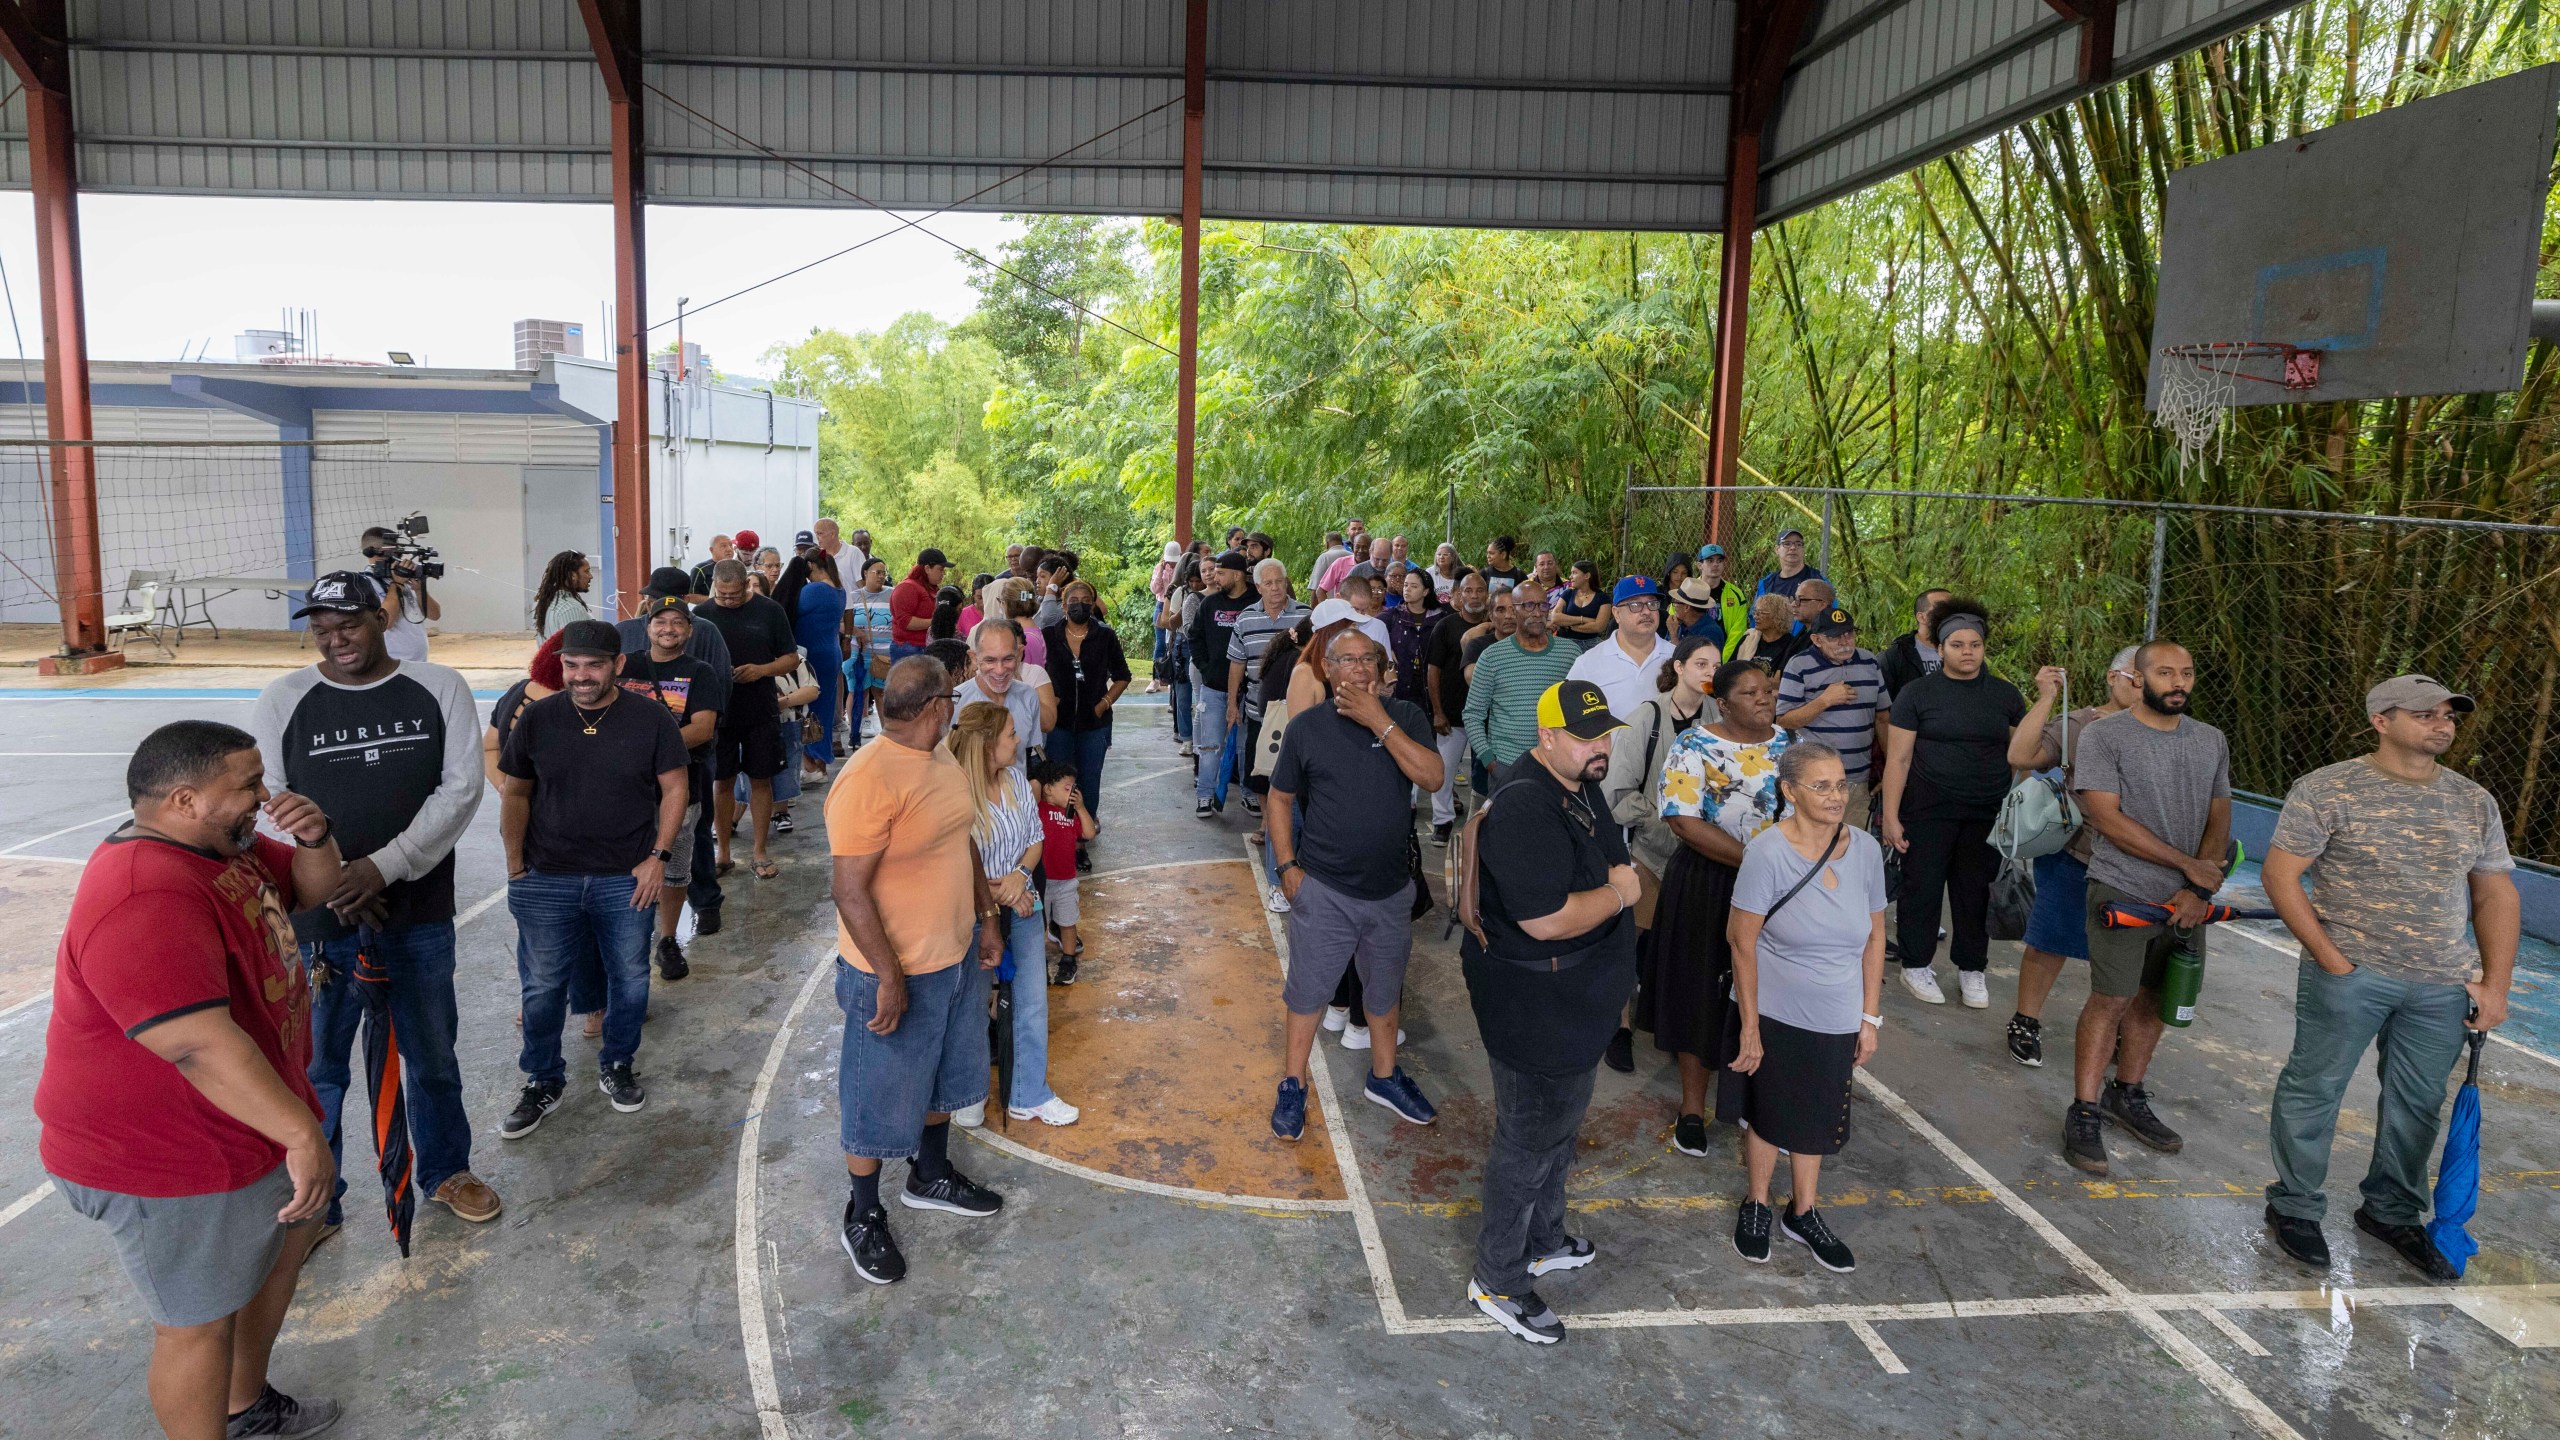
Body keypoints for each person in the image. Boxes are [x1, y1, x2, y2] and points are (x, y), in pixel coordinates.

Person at [37, 721, 348, 1439]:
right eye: (246, 785)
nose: (262, 797)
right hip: (165, 1154)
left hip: (245, 1124)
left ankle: (245, 1408)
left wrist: (315, 837)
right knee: (196, 1326)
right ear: (185, 798)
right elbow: (196, 1045)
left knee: (283, 1246)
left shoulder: (216, 848)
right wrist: (303, 1133)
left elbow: (313, 890)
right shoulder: (145, 890)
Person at [249, 571, 496, 1237]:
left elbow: (461, 790)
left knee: (431, 1055)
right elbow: (269, 802)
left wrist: (384, 868)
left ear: (381, 619)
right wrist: (332, 877)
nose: (335, 640)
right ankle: (316, 1209)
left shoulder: (439, 687)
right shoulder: (284, 698)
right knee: (319, 1069)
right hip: (318, 924)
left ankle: (446, 1170)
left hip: (414, 915)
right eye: (322, 630)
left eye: (349, 625)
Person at [2261, 674, 2520, 1281]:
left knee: (2419, 1104)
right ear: (2381, 720)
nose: (2443, 723)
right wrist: (2330, 958)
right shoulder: (2329, 788)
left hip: (2441, 986)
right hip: (2353, 972)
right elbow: (2280, 876)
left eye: (2450, 716)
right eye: (2426, 714)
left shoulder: (2473, 799)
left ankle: (2391, 1212)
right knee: (2315, 1088)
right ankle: (2295, 1207)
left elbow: (2496, 895)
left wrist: (2495, 985)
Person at [1458, 678, 1640, 1345]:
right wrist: (1618, 897)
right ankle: (1499, 1278)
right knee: (1527, 1142)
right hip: (1537, 1009)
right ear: (1546, 737)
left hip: (1576, 1003)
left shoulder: (1579, 782)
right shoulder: (1525, 806)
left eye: (1605, 734)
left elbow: (1615, 857)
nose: (1601, 749)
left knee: (1559, 1131)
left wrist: (1615, 886)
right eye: (1586, 737)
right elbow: (1546, 920)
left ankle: (1543, 1239)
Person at [827, 656, 1009, 1288]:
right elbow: (849, 892)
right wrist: (889, 975)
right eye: (950, 697)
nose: (954, 705)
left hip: (955, 956)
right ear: (935, 706)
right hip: (895, 969)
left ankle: (929, 1175)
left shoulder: (940, 759)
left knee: (944, 1078)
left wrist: (986, 915)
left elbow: (962, 841)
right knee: (876, 1094)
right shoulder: (869, 778)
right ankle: (862, 1211)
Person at [495, 620, 689, 1134]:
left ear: (618, 666)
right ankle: (542, 1079)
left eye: (594, 665)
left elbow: (675, 790)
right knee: (541, 987)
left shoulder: (651, 719)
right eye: (572, 665)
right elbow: (515, 793)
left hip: (625, 877)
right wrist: (516, 866)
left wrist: (658, 857)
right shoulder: (537, 718)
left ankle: (617, 1064)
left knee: (628, 979)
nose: (581, 676)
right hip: (546, 877)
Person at [1267, 624, 1445, 1142]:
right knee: (1308, 993)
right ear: (1328, 668)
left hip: (1391, 891)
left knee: (1384, 991)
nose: (1360, 669)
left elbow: (1433, 778)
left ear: (1382, 668)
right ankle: (1293, 1083)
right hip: (1324, 889)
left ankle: (1384, 1078)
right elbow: (1279, 799)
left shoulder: (1406, 717)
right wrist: (1287, 868)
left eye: (1369, 659)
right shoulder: (1308, 728)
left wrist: (1380, 723)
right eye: (1347, 660)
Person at [2059, 640, 2231, 1176]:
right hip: (2122, 888)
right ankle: (2084, 1109)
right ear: (2137, 678)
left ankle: (2126, 1094)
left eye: (2186, 672)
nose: (2177, 682)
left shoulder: (2211, 740)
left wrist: (2197, 889)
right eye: (2164, 672)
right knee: (2110, 999)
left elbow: (2219, 815)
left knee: (2156, 999)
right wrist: (2188, 865)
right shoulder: (2104, 736)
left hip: (2186, 901)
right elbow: (2105, 818)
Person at [1722, 741, 1886, 1275]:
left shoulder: (1864, 848)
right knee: (1771, 1114)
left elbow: (1875, 936)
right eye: (1821, 785)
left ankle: (1804, 1211)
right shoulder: (1767, 851)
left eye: (1841, 784)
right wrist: (1750, 1027)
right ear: (1790, 792)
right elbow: (1740, 940)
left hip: (1838, 1012)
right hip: (1775, 1009)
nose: (1836, 795)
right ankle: (1757, 1203)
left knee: (1816, 1116)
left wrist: (1869, 1017)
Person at [1647, 660, 1789, 1157]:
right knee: (1701, 991)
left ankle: (1761, 1105)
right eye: (1750, 693)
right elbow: (1683, 821)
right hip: (1709, 882)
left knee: (1767, 998)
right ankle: (1691, 1107)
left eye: (1768, 690)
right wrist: (1756, 860)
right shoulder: (1693, 745)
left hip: (1780, 890)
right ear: (1723, 704)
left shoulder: (1790, 746)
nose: (1764, 698)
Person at [1878, 597, 2023, 1008]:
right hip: (1927, 810)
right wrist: (1891, 815)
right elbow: (1899, 758)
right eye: (1957, 644)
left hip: (1986, 813)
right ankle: (1915, 964)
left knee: (1974, 892)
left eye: (1974, 644)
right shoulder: (1916, 694)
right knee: (1921, 888)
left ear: (1983, 648)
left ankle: (1972, 968)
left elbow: (2024, 754)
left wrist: (2015, 806)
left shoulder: (2005, 695)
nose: (1967, 652)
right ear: (1940, 648)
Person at [2003, 646, 2141, 1068]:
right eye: (2132, 676)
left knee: (2127, 952)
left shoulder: (2167, 731)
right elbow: (2020, 756)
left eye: (2146, 678)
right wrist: (2045, 697)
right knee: (2049, 942)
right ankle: (2025, 1022)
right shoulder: (2080, 723)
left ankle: (2115, 1029)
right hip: (2076, 853)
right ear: (2111, 677)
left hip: (2136, 861)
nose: (2139, 685)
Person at [945, 702, 1079, 1128]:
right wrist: (1000, 894)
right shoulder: (953, 791)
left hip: (1022, 904)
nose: (1017, 740)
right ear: (987, 745)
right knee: (968, 1006)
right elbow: (955, 859)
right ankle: (965, 1092)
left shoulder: (1019, 780)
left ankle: (1028, 1093)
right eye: (1009, 735)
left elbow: (1035, 841)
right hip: (971, 913)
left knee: (1032, 1003)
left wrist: (1020, 879)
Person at [1600, 633, 1719, 1071]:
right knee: (1629, 943)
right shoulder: (1645, 719)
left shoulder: (1719, 719)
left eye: (1715, 666)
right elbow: (1615, 791)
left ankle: (1676, 1029)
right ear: (1680, 667)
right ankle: (1619, 1027)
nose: (1710, 673)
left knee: (1683, 948)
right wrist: (1663, 822)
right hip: (1649, 854)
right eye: (1702, 664)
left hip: (1701, 858)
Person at [618, 566, 733, 936]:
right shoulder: (625, 652)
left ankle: (701, 907)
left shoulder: (704, 647)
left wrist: (655, 749)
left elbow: (714, 697)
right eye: (659, 619)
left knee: (691, 835)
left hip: (688, 766)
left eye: (676, 622)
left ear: (688, 623)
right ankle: (636, 927)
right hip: (629, 777)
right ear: (649, 620)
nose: (667, 628)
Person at [694, 560, 799, 881]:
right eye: (721, 595)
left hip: (760, 708)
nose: (727, 601)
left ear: (747, 586)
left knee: (760, 779)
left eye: (734, 595)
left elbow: (791, 658)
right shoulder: (700, 617)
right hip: (718, 712)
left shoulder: (769, 611)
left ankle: (759, 851)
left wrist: (761, 670)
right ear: (714, 586)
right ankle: (723, 853)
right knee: (721, 781)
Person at [1773, 605, 1886, 819]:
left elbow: (1883, 718)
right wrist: (1824, 700)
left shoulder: (1870, 662)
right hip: (1815, 779)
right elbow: (1784, 720)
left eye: (1849, 633)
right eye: (1835, 637)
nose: (1844, 641)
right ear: (1816, 640)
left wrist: (1888, 767)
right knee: (1816, 846)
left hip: (1859, 778)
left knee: (1852, 844)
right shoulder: (1799, 665)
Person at [1463, 578, 1580, 786]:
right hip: (1507, 765)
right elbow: (1472, 715)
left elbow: (1578, 711)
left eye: (1543, 605)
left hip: (1558, 767)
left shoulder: (1570, 653)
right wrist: (1490, 762)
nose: (1537, 613)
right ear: (1514, 611)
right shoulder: (1492, 657)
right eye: (1528, 605)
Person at [1039, 578, 1132, 828]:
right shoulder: (1049, 635)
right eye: (1074, 602)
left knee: (1089, 781)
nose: (1079, 606)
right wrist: (1050, 700)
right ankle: (1060, 832)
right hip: (1059, 724)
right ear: (1063, 605)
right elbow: (1036, 674)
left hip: (1095, 724)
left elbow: (1123, 676)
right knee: (1059, 782)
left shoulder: (1105, 636)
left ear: (1093, 606)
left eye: (1085, 602)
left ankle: (1082, 835)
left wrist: (1103, 704)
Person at [1232, 559, 1312, 821]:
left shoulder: (1306, 615)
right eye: (1269, 583)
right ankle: (1267, 822)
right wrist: (1232, 703)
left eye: (1280, 581)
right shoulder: (1245, 619)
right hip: (1259, 710)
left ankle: (1295, 822)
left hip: (1302, 711)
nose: (1276, 588)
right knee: (1262, 771)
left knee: (1299, 769)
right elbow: (1237, 664)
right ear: (1258, 586)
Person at [1186, 550, 1255, 818]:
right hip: (1214, 689)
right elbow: (1195, 637)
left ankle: (1250, 794)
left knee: (1247, 746)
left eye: (1221, 572)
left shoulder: (1256, 602)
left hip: (1250, 691)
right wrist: (1206, 667)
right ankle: (1205, 796)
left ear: (1237, 575)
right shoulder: (1210, 603)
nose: (1215, 576)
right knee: (1210, 746)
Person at [1423, 568, 1488, 841]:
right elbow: (1433, 670)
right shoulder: (1445, 626)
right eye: (1468, 591)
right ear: (1458, 596)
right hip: (1451, 715)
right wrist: (1437, 711)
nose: (1474, 596)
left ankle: (1485, 823)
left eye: (1479, 591)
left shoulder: (1499, 628)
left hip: (1488, 717)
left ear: (1488, 595)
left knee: (1486, 773)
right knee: (1444, 773)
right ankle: (1442, 821)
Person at [954, 616, 1055, 780]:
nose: (1000, 670)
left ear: (1020, 654)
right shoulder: (956, 701)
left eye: (1008, 659)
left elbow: (1027, 757)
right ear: (974, 658)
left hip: (1017, 800)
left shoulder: (1028, 696)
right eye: (990, 660)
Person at [1566, 575, 1672, 718]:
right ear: (1616, 614)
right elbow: (1569, 716)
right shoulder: (1588, 664)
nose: (1647, 611)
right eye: (1635, 605)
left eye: (1652, 604)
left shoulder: (1676, 657)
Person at [1033, 757, 1098, 984]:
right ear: (1049, 789)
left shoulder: (1071, 815)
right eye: (1067, 788)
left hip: (1066, 881)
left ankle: (1068, 960)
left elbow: (1089, 833)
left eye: (1074, 788)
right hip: (1041, 882)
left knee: (1068, 922)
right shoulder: (1039, 809)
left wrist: (1080, 808)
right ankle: (1038, 961)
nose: (1072, 792)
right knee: (1039, 922)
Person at [794, 551, 849, 775]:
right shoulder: (839, 590)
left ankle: (812, 765)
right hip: (830, 653)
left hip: (812, 655)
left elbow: (790, 609)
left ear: (810, 565)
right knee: (824, 710)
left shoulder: (814, 590)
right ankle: (821, 764)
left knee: (808, 710)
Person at [359, 524, 439, 661]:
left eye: (399, 553)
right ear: (375, 552)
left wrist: (420, 590)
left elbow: (435, 615)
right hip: (391, 664)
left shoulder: (400, 577)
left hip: (419, 662)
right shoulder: (365, 583)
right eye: (394, 554)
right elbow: (385, 622)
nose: (398, 558)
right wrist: (398, 583)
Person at [847, 556, 896, 747]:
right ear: (865, 573)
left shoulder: (893, 594)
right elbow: (841, 623)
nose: (882, 576)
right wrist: (854, 630)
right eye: (878, 572)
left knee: (882, 693)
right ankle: (854, 734)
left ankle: (887, 737)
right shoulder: (853, 596)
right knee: (857, 691)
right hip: (857, 654)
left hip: (884, 655)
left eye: (884, 572)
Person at [1384, 567, 1441, 715]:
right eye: (1406, 585)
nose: (1407, 589)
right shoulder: (1393, 615)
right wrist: (1386, 650)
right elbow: (1369, 631)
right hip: (1400, 688)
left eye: (1414, 586)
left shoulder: (1440, 618)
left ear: (1426, 592)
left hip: (1430, 691)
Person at [1878, 587, 1953, 698]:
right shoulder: (1896, 656)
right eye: (1942, 609)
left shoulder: (1966, 651)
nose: (1950, 614)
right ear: (1921, 617)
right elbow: (1882, 707)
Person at [1687, 544, 1750, 656]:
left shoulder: (1736, 595)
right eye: (1710, 560)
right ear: (1699, 565)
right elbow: (1676, 618)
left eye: (1719, 560)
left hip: (1724, 656)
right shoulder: (1687, 589)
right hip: (1691, 653)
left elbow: (1737, 632)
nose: (1715, 564)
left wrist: (1722, 660)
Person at [889, 547, 949, 661]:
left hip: (926, 647)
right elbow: (905, 622)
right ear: (927, 568)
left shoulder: (930, 588)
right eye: (940, 569)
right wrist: (937, 621)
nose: (943, 573)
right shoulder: (907, 587)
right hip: (910, 649)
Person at [1753, 526, 1826, 602]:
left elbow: (1830, 611)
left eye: (1798, 544)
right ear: (1777, 549)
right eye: (1787, 544)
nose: (1793, 547)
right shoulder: (1767, 583)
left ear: (1803, 549)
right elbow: (1756, 612)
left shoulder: (1818, 579)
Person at [531, 549, 592, 638]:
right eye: (586, 571)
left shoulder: (541, 603)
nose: (591, 576)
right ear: (572, 576)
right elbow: (576, 649)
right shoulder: (571, 608)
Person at [1551, 560, 1612, 648]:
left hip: (1591, 643)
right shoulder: (1568, 593)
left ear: (1587, 576)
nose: (1570, 576)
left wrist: (1569, 625)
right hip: (1565, 640)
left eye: (1574, 573)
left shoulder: (1603, 598)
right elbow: (1555, 618)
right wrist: (1584, 619)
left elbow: (1599, 627)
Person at [1729, 594, 1794, 666]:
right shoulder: (1749, 638)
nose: (1755, 617)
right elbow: (1730, 668)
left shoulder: (1790, 644)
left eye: (1761, 613)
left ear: (1777, 616)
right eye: (1755, 612)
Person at [688, 533, 735, 602]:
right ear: (711, 550)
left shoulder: (738, 567)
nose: (729, 549)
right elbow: (691, 596)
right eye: (723, 546)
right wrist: (717, 601)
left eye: (731, 545)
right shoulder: (701, 569)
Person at [1307, 529, 1350, 600]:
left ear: (1327, 544)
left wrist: (1313, 610)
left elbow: (1315, 587)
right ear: (1342, 543)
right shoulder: (1352, 556)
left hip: (1330, 605)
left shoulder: (1324, 557)